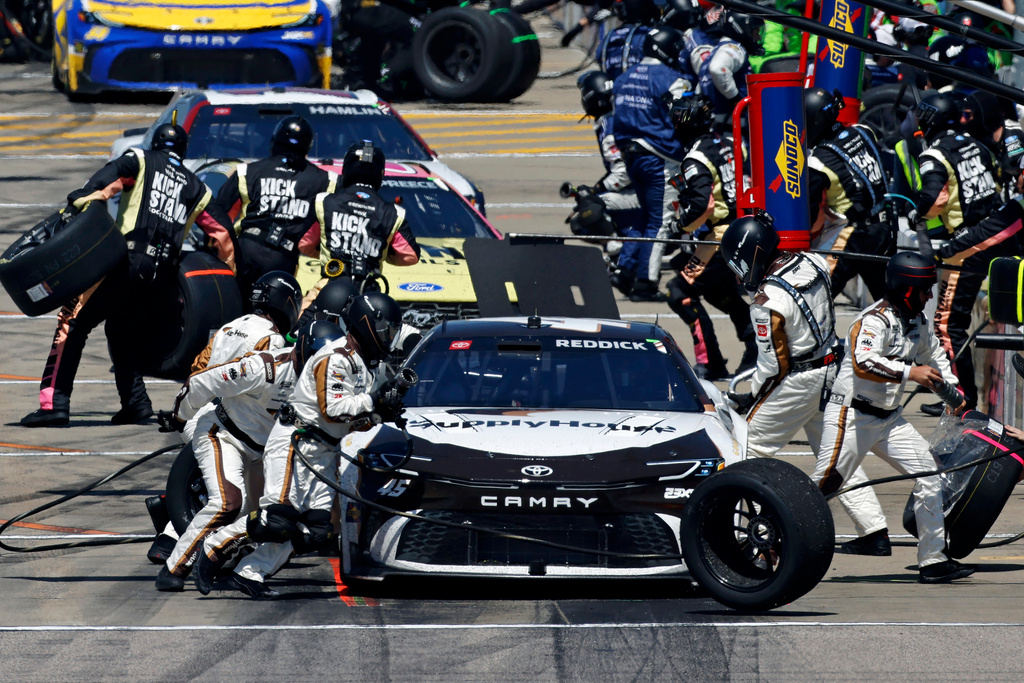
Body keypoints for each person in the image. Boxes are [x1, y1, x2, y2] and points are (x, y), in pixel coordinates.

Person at [21, 124, 235, 428]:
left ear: (156, 143)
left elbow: (100, 189)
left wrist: (73, 214)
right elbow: (224, 237)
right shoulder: (198, 188)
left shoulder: (141, 159)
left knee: (72, 320)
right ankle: (135, 404)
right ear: (183, 151)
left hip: (127, 263)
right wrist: (231, 274)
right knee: (122, 332)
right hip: (164, 278)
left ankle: (53, 403)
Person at [212, 292, 406, 599]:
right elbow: (334, 408)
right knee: (278, 520)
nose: (388, 338)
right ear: (367, 324)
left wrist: (382, 412)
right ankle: (213, 547)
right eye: (386, 330)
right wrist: (374, 400)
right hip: (297, 443)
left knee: (317, 530)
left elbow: (355, 421)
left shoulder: (362, 367)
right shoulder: (336, 358)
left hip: (324, 451)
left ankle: (250, 572)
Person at [721, 211, 891, 556]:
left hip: (800, 380)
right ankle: (874, 530)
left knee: (743, 449)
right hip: (835, 368)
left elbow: (773, 367)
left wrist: (747, 397)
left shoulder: (767, 301)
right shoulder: (812, 261)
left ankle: (737, 536)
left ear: (751, 256)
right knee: (837, 453)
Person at [811, 252, 976, 583]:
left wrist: (954, 392)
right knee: (823, 488)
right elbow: (862, 362)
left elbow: (935, 357)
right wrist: (911, 373)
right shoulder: (873, 321)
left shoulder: (918, 321)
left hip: (888, 419)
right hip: (851, 416)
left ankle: (932, 560)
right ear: (906, 288)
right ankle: (776, 541)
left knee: (930, 474)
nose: (929, 296)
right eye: (925, 290)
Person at [154, 320, 342, 592]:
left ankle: (251, 573)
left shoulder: (334, 381)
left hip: (270, 453)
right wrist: (180, 416)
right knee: (227, 503)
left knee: (304, 524)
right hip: (223, 435)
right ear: (301, 351)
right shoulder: (264, 367)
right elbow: (202, 381)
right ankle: (175, 567)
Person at [147, 270, 304, 566]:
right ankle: (175, 541)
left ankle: (169, 530)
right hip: (228, 420)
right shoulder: (270, 341)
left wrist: (184, 413)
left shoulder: (229, 327)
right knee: (241, 497)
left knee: (225, 490)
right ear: (287, 303)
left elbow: (198, 367)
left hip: (200, 411)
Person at [912, 91, 1002, 414]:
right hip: (998, 232)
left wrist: (916, 213)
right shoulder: (975, 143)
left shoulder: (934, 155)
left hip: (968, 244)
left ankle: (962, 403)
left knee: (948, 327)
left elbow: (934, 199)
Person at [664, 93, 757, 378]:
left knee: (678, 292)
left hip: (718, 238)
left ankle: (711, 362)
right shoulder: (731, 143)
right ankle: (754, 345)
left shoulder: (695, 159)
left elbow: (703, 205)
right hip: (743, 230)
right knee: (718, 291)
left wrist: (677, 228)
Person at [214, 116, 338, 299]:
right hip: (284, 256)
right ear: (308, 146)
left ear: (274, 141)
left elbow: (218, 216)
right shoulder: (326, 180)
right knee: (275, 317)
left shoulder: (247, 171)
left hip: (247, 251)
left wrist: (224, 255)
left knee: (238, 309)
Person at [611, 26, 693, 301]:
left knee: (644, 217)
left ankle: (625, 270)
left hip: (630, 155)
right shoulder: (672, 80)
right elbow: (684, 118)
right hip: (659, 157)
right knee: (660, 221)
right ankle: (646, 283)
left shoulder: (624, 78)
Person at [297, 141, 420, 311]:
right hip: (369, 295)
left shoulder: (324, 201)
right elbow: (410, 256)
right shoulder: (393, 212)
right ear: (381, 173)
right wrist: (379, 253)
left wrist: (330, 248)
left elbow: (304, 243)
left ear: (345, 170)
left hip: (330, 289)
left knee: (297, 332)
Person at [805, 87, 892, 301]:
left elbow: (809, 217)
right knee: (888, 298)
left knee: (818, 296)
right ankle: (904, 332)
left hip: (854, 235)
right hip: (885, 227)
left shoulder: (817, 162)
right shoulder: (863, 130)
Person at [570, 70, 641, 261]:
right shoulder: (617, 117)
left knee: (588, 212)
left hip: (641, 192)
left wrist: (595, 191)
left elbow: (622, 175)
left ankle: (618, 248)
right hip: (644, 187)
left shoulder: (609, 129)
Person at [697, 11, 765, 121]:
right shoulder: (733, 49)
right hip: (732, 127)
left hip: (719, 124)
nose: (757, 38)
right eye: (755, 32)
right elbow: (718, 69)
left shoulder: (715, 51)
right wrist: (736, 100)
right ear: (743, 29)